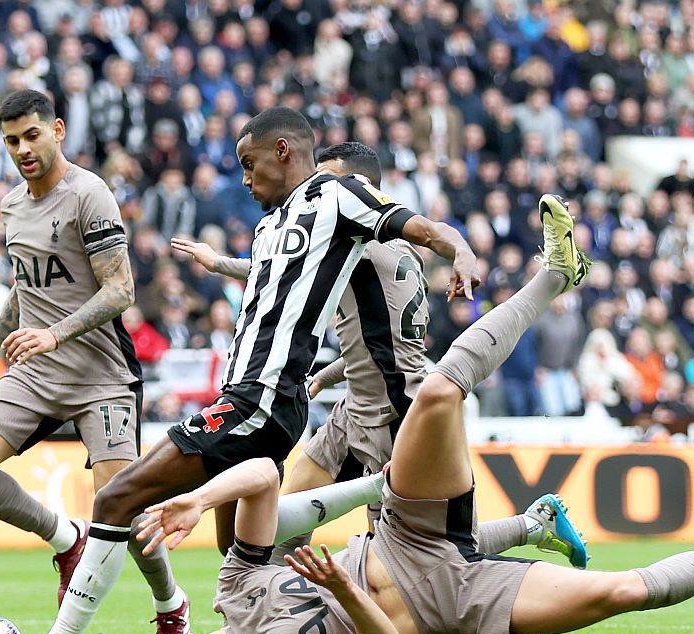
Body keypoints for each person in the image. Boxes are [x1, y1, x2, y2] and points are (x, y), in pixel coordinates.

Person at [82, 195, 694, 634]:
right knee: (624, 593)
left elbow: (257, 475)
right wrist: (344, 593)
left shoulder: (234, 592)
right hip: (448, 604)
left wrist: (197, 498)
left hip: (406, 533)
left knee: (443, 393)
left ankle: (554, 274)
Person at [0, 106, 479, 634]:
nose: (243, 179)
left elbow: (421, 228)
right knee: (243, 553)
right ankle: (336, 591)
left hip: (262, 397)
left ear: (284, 153)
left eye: (249, 165)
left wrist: (461, 251)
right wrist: (219, 263)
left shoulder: (339, 196)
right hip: (252, 395)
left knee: (116, 499)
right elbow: (276, 283)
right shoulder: (271, 225)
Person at [172, 142, 553, 561]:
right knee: (286, 516)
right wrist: (328, 375)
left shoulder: (356, 242)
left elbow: (284, 269)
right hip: (358, 400)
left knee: (420, 552)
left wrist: (220, 263)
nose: (316, 190)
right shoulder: (394, 247)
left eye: (329, 180)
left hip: (390, 406)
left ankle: (531, 525)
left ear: (362, 187)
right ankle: (267, 603)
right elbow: (375, 337)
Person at [0, 90, 187, 634]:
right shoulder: (10, 206)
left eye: (32, 135)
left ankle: (171, 603)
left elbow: (121, 290)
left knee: (121, 504)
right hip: (35, 370)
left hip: (101, 376)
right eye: (11, 141)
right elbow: (26, 285)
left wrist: (53, 334)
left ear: (56, 129)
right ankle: (66, 540)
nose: (23, 150)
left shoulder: (90, 194)